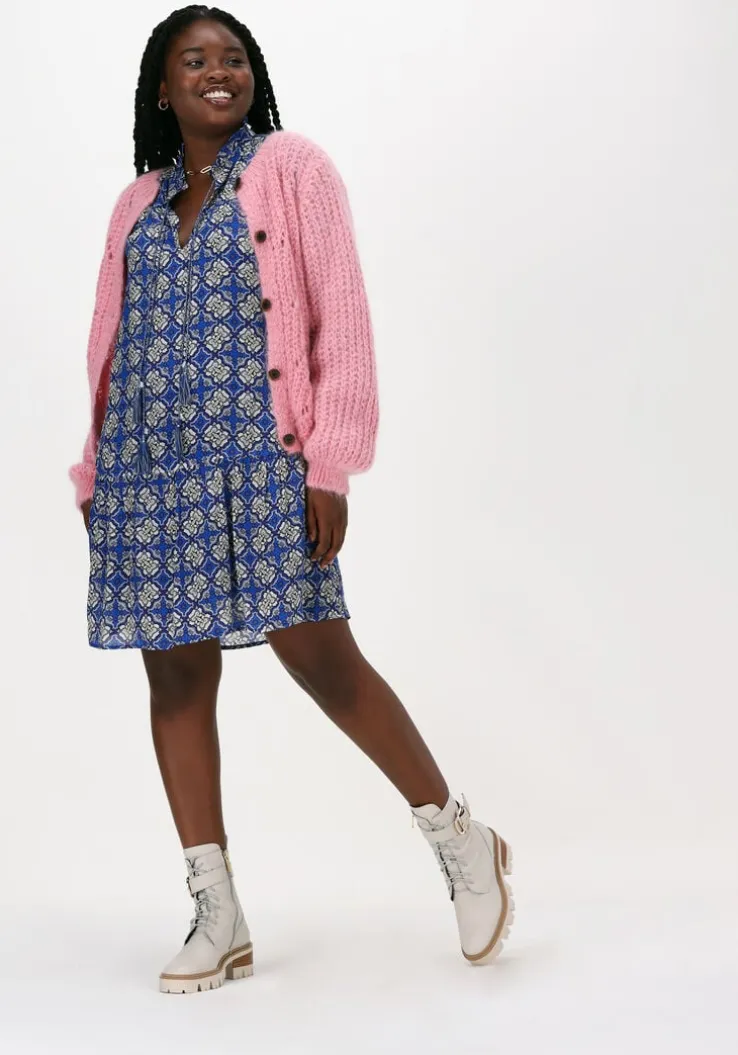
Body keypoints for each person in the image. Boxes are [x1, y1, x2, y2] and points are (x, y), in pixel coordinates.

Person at [69, 4, 514, 995]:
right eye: (194, 60)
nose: (216, 72)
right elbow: (112, 342)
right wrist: (95, 472)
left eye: (233, 57)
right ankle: (217, 910)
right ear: (162, 88)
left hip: (264, 455)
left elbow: (341, 318)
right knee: (174, 678)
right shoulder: (134, 203)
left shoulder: (293, 169)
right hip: (149, 470)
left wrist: (330, 464)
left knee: (320, 656)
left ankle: (460, 836)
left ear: (253, 75)